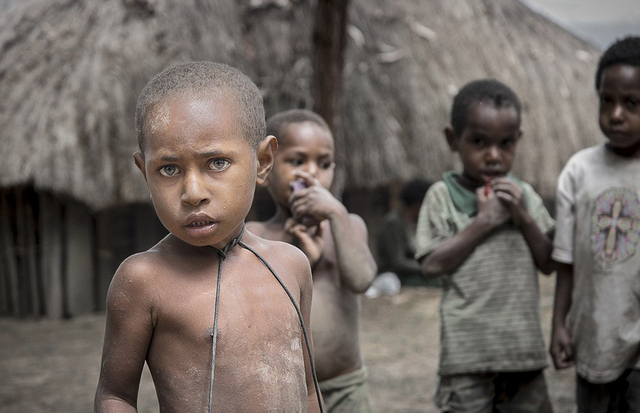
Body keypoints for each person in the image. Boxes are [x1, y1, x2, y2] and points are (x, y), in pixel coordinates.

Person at [94, 62, 322, 412]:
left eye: (216, 163)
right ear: (144, 172)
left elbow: (308, 390)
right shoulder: (143, 280)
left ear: (262, 161)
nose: (193, 192)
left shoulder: (291, 265)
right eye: (168, 169)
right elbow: (116, 396)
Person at [415, 79, 556, 412]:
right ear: (454, 139)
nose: (494, 155)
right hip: (466, 358)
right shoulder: (441, 197)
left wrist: (522, 216)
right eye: (479, 142)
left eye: (506, 143)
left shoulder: (525, 196)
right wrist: (484, 222)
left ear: (518, 141)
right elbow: (431, 265)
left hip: (524, 354)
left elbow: (548, 262)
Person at [247, 109, 377, 413]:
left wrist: (337, 214)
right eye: (296, 161)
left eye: (324, 163)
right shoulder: (256, 237)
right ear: (266, 169)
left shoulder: (348, 226)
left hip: (348, 387)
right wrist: (300, 257)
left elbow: (361, 280)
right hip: (286, 392)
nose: (311, 174)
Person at [550, 36, 640, 413]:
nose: (616, 114)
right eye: (607, 100)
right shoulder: (578, 171)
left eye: (632, 103)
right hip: (595, 337)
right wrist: (559, 323)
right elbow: (566, 261)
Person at [375, 178, 432, 287]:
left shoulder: (415, 223)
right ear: (418, 203)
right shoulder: (393, 223)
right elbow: (398, 262)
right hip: (394, 276)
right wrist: (425, 268)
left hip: (412, 274)